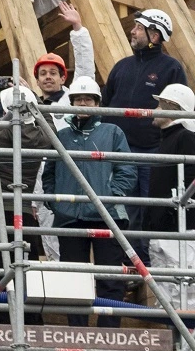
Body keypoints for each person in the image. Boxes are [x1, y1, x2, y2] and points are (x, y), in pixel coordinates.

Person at [43, 76, 137, 318]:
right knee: (74, 280)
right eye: (78, 99)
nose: (83, 103)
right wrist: (55, 202)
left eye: (88, 99)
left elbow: (127, 170)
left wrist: (110, 196)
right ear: (72, 103)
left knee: (110, 279)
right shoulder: (61, 136)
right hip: (69, 217)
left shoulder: (113, 132)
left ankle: (109, 334)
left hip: (106, 216)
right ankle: (78, 331)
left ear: (97, 103)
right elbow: (49, 174)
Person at [104, 9, 188, 158]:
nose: (133, 31)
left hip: (151, 152)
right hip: (116, 148)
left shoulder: (172, 68)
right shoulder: (121, 66)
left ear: (155, 36)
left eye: (139, 28)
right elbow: (104, 103)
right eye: (135, 26)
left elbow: (180, 111)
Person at [147, 85, 195, 292]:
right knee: (167, 297)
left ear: (172, 107)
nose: (155, 110)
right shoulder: (170, 138)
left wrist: (170, 211)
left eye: (160, 104)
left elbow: (191, 179)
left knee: (183, 293)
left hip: (179, 231)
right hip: (165, 230)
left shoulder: (185, 137)